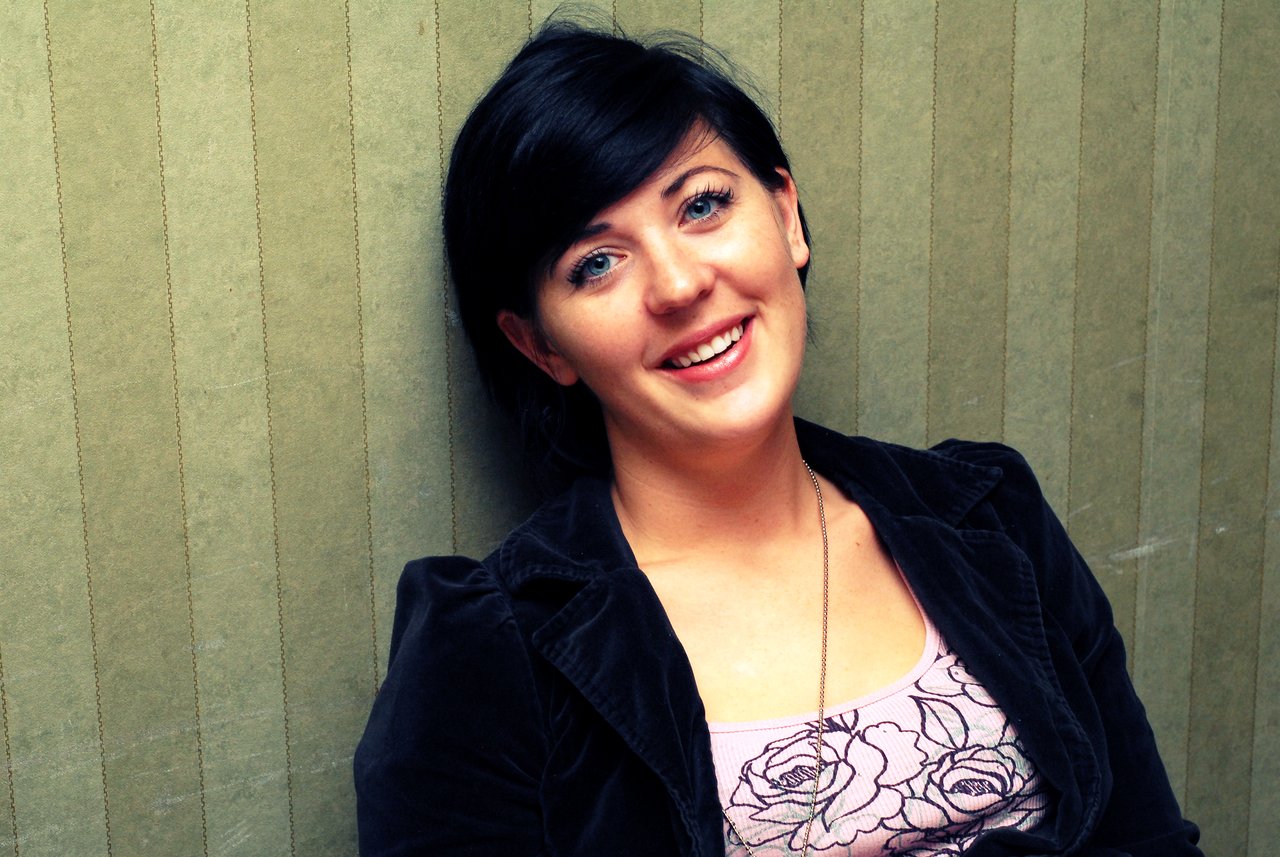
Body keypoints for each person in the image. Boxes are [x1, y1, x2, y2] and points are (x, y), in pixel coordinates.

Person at [354, 19, 1202, 857]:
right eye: (597, 263)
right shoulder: (485, 654)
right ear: (541, 345)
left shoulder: (990, 517)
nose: (679, 284)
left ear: (787, 216)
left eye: (702, 205)